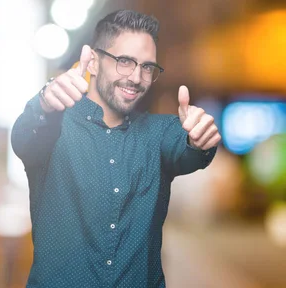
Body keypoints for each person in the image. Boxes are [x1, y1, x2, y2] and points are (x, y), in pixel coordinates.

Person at [11, 10, 221, 287]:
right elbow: (24, 137)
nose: (136, 77)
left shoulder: (159, 133)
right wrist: (44, 103)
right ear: (94, 63)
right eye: (125, 61)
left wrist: (199, 139)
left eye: (147, 67)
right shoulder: (54, 127)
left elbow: (190, 152)